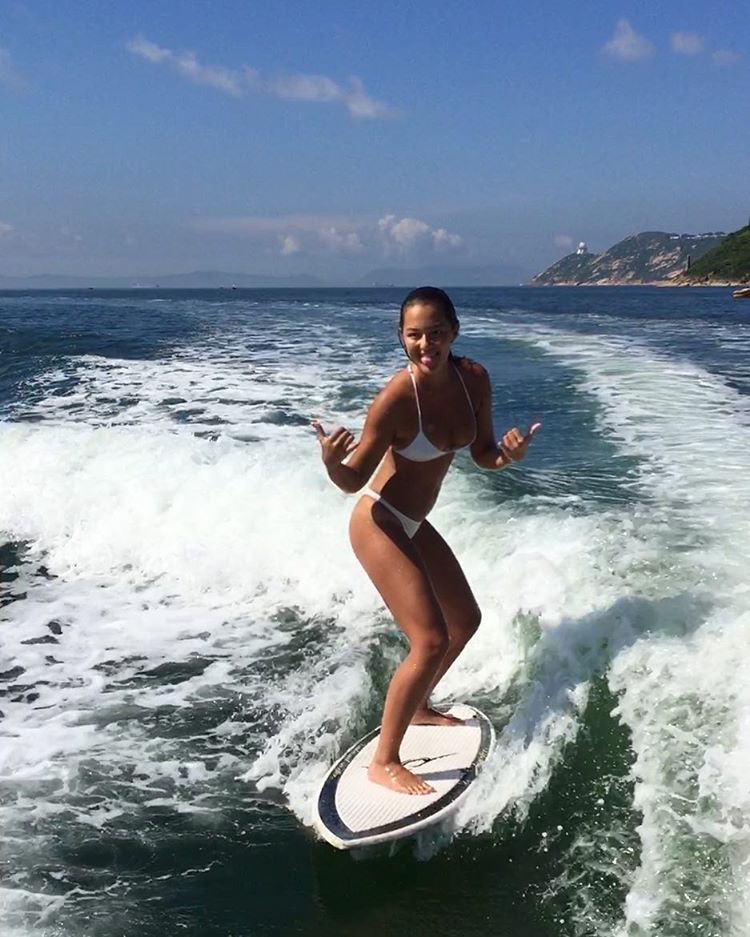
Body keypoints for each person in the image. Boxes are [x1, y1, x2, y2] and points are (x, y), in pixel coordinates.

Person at [312, 287, 540, 795]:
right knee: (431, 638)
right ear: (402, 337)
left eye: (435, 333)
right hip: (379, 520)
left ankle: (418, 707)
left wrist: (509, 456)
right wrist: (331, 462)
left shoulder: (473, 379)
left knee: (465, 621)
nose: (425, 344)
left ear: (453, 332)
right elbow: (353, 480)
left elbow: (483, 454)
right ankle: (385, 761)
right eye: (414, 335)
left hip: (414, 521)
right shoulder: (397, 398)